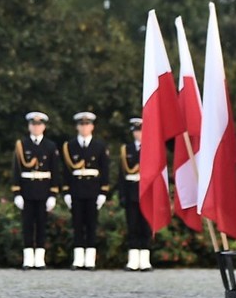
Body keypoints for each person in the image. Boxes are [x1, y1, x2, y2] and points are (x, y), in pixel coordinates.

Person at [10, 111, 60, 269]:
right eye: (33, 124)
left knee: (41, 224)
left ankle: (39, 259)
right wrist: (17, 193)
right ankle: (28, 258)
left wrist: (53, 193)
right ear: (29, 126)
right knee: (27, 225)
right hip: (27, 190)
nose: (36, 127)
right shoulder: (22, 145)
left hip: (44, 189)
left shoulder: (50, 146)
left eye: (39, 125)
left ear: (44, 127)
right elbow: (16, 170)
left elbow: (55, 171)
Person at [62, 111, 110, 269]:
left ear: (92, 126)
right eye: (81, 124)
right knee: (77, 224)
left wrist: (103, 192)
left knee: (91, 224)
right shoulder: (69, 146)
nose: (84, 127)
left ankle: (90, 259)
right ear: (77, 126)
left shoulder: (99, 146)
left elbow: (105, 170)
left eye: (87, 124)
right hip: (76, 189)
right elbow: (66, 171)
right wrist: (66, 192)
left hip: (93, 189)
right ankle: (78, 258)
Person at [119, 117, 152, 271]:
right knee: (132, 226)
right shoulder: (126, 149)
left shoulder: (152, 149)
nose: (138, 134)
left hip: (147, 192)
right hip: (131, 191)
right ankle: (133, 260)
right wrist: (122, 195)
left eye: (141, 130)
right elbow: (122, 175)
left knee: (145, 227)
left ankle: (145, 260)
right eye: (136, 131)